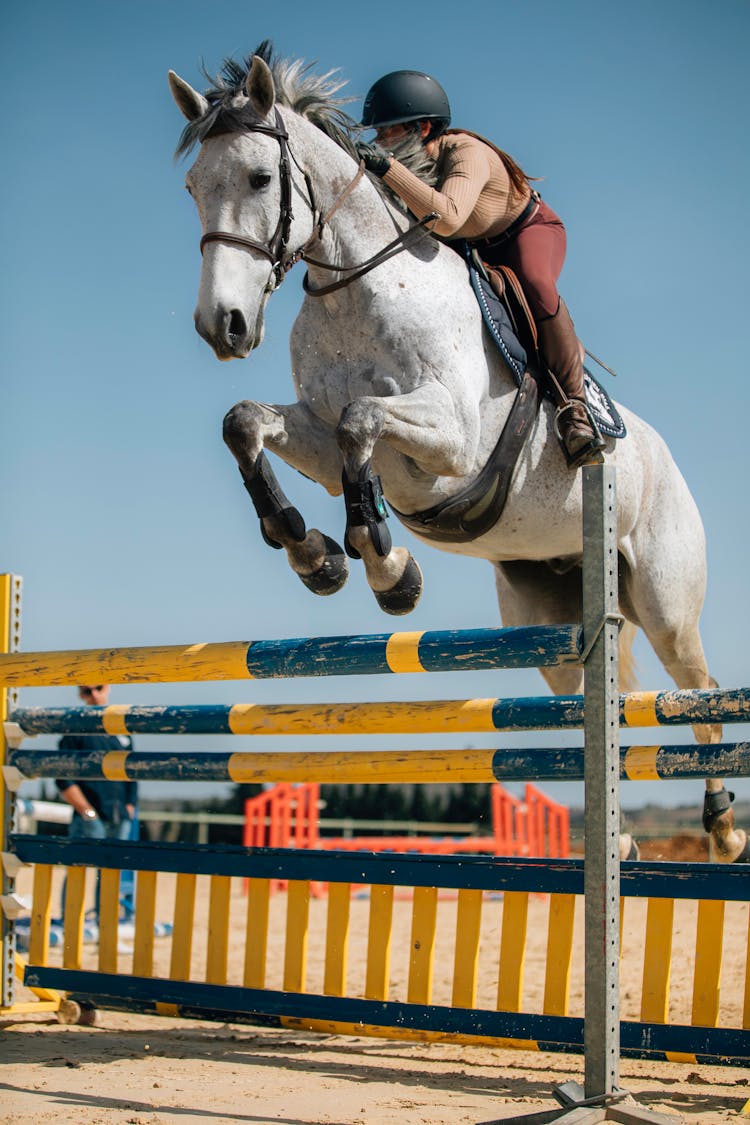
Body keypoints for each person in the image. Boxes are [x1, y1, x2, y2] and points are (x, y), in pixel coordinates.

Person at [356, 70, 605, 469]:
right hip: (472, 243)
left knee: (536, 281)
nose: (380, 142)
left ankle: (575, 411)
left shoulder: (466, 153)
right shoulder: (412, 157)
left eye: (387, 132)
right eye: (378, 134)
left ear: (421, 127)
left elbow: (450, 217)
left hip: (526, 231)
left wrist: (386, 169)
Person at [56, 684, 138, 921]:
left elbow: (132, 769)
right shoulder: (75, 728)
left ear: (108, 688)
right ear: (80, 695)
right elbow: (62, 776)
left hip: (118, 813)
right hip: (89, 814)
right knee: (78, 867)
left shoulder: (120, 727)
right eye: (87, 691)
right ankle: (69, 920)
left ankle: (105, 921)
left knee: (111, 872)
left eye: (98, 688)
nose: (94, 695)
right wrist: (86, 811)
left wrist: (129, 805)